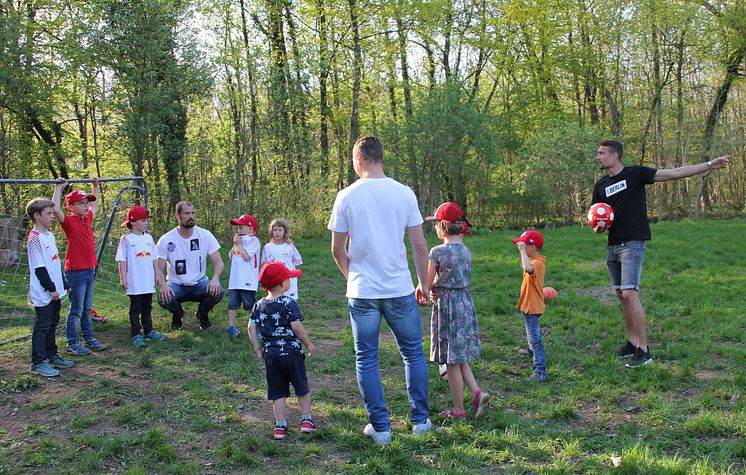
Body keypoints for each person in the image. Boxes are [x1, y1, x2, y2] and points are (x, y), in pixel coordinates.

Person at [328, 135, 431, 446]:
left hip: (362, 292)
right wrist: (424, 284)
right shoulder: (404, 193)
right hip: (399, 287)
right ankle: (420, 421)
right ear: (380, 157)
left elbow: (336, 249)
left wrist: (353, 278)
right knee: (413, 353)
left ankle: (381, 428)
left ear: (358, 160)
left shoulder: (346, 196)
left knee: (366, 358)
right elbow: (419, 245)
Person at [592, 139, 730, 368]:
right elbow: (596, 216)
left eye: (601, 153)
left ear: (615, 155)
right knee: (620, 294)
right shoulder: (600, 185)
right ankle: (631, 341)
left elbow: (674, 173)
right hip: (613, 244)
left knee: (629, 293)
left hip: (632, 243)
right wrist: (598, 226)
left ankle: (644, 351)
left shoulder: (635, 174)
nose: (598, 157)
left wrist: (709, 164)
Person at [425, 202, 490, 419]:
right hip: (464, 303)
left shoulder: (437, 252)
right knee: (460, 356)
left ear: (442, 226)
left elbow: (428, 284)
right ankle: (477, 392)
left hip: (447, 306)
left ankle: (458, 409)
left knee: (451, 361)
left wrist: (430, 289)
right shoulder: (465, 250)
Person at [248, 262, 317, 440]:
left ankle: (280, 425)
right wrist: (308, 343)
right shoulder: (288, 302)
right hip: (292, 354)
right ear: (282, 284)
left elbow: (251, 328)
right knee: (301, 386)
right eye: (288, 279)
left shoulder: (259, 305)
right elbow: (296, 326)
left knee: (277, 391)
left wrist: (258, 349)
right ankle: (307, 420)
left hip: (271, 356)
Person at [52, 180, 106, 355]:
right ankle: (72, 343)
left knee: (86, 308)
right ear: (71, 207)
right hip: (76, 272)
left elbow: (95, 207)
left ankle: (89, 338)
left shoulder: (87, 218)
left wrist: (95, 188)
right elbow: (55, 210)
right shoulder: (69, 222)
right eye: (81, 203)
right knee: (75, 310)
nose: (86, 205)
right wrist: (58, 188)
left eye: (86, 202)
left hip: (89, 270)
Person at [155, 201, 224, 330]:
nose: (191, 216)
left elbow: (219, 262)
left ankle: (202, 314)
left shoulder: (205, 235)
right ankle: (177, 314)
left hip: (199, 283)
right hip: (176, 284)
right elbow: (158, 267)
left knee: (218, 291)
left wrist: (215, 278)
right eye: (186, 213)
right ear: (178, 216)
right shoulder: (166, 240)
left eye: (193, 213)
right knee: (163, 298)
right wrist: (163, 285)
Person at [26, 198, 75, 377]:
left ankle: (52, 355)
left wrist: (64, 283)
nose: (52, 217)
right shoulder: (34, 239)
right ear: (37, 216)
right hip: (45, 291)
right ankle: (38, 362)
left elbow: (55, 263)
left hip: (56, 290)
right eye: (48, 214)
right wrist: (51, 289)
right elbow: (40, 268)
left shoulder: (49, 235)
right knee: (43, 326)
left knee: (53, 323)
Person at [116, 206, 167, 348]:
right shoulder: (126, 239)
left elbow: (154, 258)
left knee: (147, 307)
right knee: (135, 308)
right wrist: (123, 277)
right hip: (134, 280)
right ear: (133, 222)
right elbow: (121, 259)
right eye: (143, 220)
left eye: (146, 220)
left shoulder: (149, 238)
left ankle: (148, 330)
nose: (146, 223)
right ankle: (136, 333)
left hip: (147, 280)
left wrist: (157, 274)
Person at [512, 230, 548, 382]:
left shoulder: (537, 263)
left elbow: (527, 268)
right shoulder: (534, 259)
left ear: (532, 247)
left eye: (524, 244)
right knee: (532, 333)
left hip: (533, 307)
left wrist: (522, 251)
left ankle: (540, 371)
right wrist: (522, 252)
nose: (520, 246)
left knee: (535, 338)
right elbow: (524, 264)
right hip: (529, 305)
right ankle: (530, 349)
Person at [227, 214, 261, 337]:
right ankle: (231, 326)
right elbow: (231, 256)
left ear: (250, 229)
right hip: (235, 280)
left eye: (241, 228)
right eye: (237, 228)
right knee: (232, 304)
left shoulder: (254, 241)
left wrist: (239, 244)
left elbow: (246, 257)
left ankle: (256, 326)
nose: (238, 230)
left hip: (247, 280)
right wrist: (236, 244)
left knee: (249, 304)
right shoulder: (238, 240)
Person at [261, 219, 303, 300]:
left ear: (285, 232)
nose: (277, 232)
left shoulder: (289, 246)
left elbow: (298, 261)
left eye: (280, 230)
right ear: (271, 231)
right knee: (275, 303)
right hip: (275, 282)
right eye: (275, 230)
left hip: (288, 281)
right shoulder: (267, 247)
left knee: (290, 303)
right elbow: (264, 263)